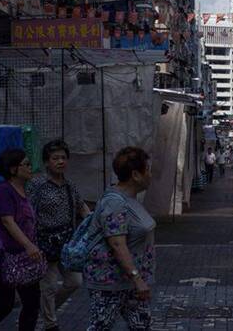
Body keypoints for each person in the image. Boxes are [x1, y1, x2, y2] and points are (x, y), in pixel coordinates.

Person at [84, 147, 156, 330]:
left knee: (141, 325)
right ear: (135, 175)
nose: (150, 174)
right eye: (147, 169)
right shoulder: (115, 202)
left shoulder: (131, 199)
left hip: (130, 283)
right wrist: (137, 279)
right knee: (100, 326)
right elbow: (117, 244)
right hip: (111, 283)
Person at [27, 140, 90, 331]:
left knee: (74, 281)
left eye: (63, 158)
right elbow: (27, 212)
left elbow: (82, 207)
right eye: (55, 158)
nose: (60, 161)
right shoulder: (38, 184)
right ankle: (50, 323)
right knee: (49, 286)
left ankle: (47, 310)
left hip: (67, 242)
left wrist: (93, 222)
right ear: (47, 162)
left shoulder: (70, 185)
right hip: (44, 241)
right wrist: (30, 242)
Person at [0, 149, 42, 331]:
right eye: (27, 164)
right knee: (4, 304)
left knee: (31, 303)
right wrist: (29, 245)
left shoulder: (25, 190)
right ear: (13, 169)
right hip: (3, 257)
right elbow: (7, 221)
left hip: (23, 257)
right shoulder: (4, 192)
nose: (31, 168)